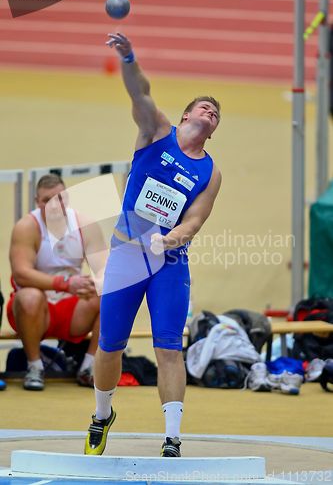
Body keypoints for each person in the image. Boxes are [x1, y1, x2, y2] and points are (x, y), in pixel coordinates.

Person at [84, 32, 222, 457]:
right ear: (184, 116)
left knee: (169, 347)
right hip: (126, 255)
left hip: (169, 262)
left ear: (212, 132)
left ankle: (172, 437)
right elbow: (139, 91)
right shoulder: (155, 131)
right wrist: (128, 57)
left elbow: (195, 221)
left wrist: (171, 238)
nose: (211, 111)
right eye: (204, 106)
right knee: (110, 345)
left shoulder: (210, 173)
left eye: (216, 114)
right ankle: (102, 415)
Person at [7, 173, 102, 391]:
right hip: (34, 311)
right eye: (46, 200)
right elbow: (21, 274)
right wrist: (65, 284)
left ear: (67, 197)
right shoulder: (27, 227)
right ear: (37, 202)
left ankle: (89, 367)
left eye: (59, 198)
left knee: (110, 293)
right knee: (29, 296)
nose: (54, 205)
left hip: (71, 308)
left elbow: (104, 268)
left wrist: (95, 282)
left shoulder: (84, 224)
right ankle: (34, 366)